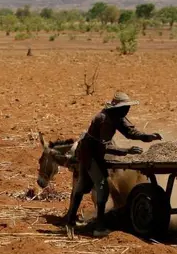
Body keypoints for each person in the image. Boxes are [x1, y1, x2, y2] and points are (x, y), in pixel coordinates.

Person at [65, 91, 162, 237]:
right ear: (118, 108)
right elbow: (106, 146)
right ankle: (99, 227)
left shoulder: (117, 116)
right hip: (90, 153)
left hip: (95, 151)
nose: (127, 110)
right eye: (125, 107)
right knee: (101, 186)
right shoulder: (105, 119)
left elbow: (130, 132)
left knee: (83, 184)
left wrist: (147, 137)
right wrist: (126, 150)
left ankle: (70, 220)